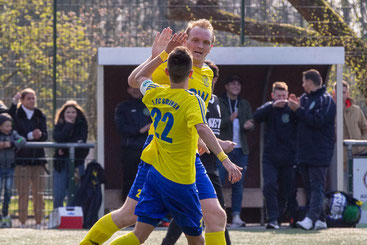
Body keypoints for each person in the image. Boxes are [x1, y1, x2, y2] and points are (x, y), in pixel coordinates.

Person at [80, 20, 240, 245]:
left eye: (206, 42)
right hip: (160, 155)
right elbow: (133, 81)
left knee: (216, 215)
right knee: (129, 216)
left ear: (211, 46)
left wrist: (206, 142)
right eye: (195, 39)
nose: (200, 45)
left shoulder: (205, 73)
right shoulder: (173, 68)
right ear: (185, 39)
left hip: (188, 157)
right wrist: (156, 55)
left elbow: (195, 121)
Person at [161, 60, 234, 244]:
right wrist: (220, 149)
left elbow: (209, 130)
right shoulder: (191, 99)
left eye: (210, 77)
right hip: (194, 163)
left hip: (210, 164)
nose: (207, 81)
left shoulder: (215, 100)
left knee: (215, 213)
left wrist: (220, 143)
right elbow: (197, 128)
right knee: (193, 212)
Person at [288, 69, 336, 230]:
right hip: (304, 151)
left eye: (303, 82)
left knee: (317, 186)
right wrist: (294, 109)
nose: (302, 85)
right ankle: (321, 219)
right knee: (308, 187)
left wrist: (299, 110)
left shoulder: (327, 100)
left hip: (320, 151)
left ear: (310, 82)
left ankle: (310, 218)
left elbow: (318, 121)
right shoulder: (304, 98)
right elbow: (297, 122)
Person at [253, 81, 297, 229]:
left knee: (286, 188)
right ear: (273, 96)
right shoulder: (268, 109)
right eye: (278, 96)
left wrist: (296, 107)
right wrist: (271, 106)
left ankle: (280, 216)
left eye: (284, 96)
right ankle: (272, 218)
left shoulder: (292, 109)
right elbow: (256, 116)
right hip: (270, 157)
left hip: (288, 157)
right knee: (269, 185)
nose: (281, 99)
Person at [8, 88, 48, 229]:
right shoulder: (17, 114)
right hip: (22, 161)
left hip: (38, 160)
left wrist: (40, 134)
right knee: (23, 193)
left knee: (39, 193)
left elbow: (45, 135)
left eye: (33, 98)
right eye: (29, 98)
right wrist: (29, 136)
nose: (32, 101)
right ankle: (23, 222)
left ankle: (39, 221)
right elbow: (10, 127)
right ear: (22, 100)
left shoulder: (40, 115)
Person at [218, 75, 254, 227]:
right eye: (232, 84)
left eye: (238, 84)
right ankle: (217, 216)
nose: (235, 86)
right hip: (224, 149)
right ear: (226, 86)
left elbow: (252, 122)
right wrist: (230, 120)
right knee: (218, 182)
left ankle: (236, 216)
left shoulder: (244, 103)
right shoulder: (219, 102)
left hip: (241, 150)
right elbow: (215, 125)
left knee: (238, 184)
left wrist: (249, 125)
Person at [114, 86, 151, 201]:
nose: (135, 90)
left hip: (149, 149)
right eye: (132, 87)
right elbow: (121, 128)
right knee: (130, 178)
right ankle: (126, 206)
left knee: (149, 178)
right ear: (128, 89)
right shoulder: (123, 107)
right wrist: (140, 130)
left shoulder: (150, 105)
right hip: (130, 149)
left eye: (138, 87)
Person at [52, 100, 89, 208]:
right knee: (59, 193)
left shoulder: (82, 124)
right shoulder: (59, 124)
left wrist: (64, 147)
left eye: (73, 112)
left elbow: (81, 140)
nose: (70, 115)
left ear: (77, 114)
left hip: (77, 163)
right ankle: (57, 216)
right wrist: (68, 125)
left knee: (74, 192)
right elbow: (58, 137)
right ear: (63, 114)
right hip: (60, 164)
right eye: (68, 112)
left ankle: (71, 217)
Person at [332, 80, 367, 191]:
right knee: (340, 189)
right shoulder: (329, 110)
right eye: (338, 92)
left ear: (348, 93)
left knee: (357, 188)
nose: (341, 95)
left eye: (343, 92)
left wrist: (360, 143)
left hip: (357, 157)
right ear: (333, 93)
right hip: (337, 159)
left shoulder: (356, 111)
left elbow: (365, 128)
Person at [0, 113, 25, 228]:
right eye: (6, 126)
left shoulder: (13, 135)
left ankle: (5, 212)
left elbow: (22, 140)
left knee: (8, 191)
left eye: (10, 126)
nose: (9, 128)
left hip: (9, 168)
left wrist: (11, 144)